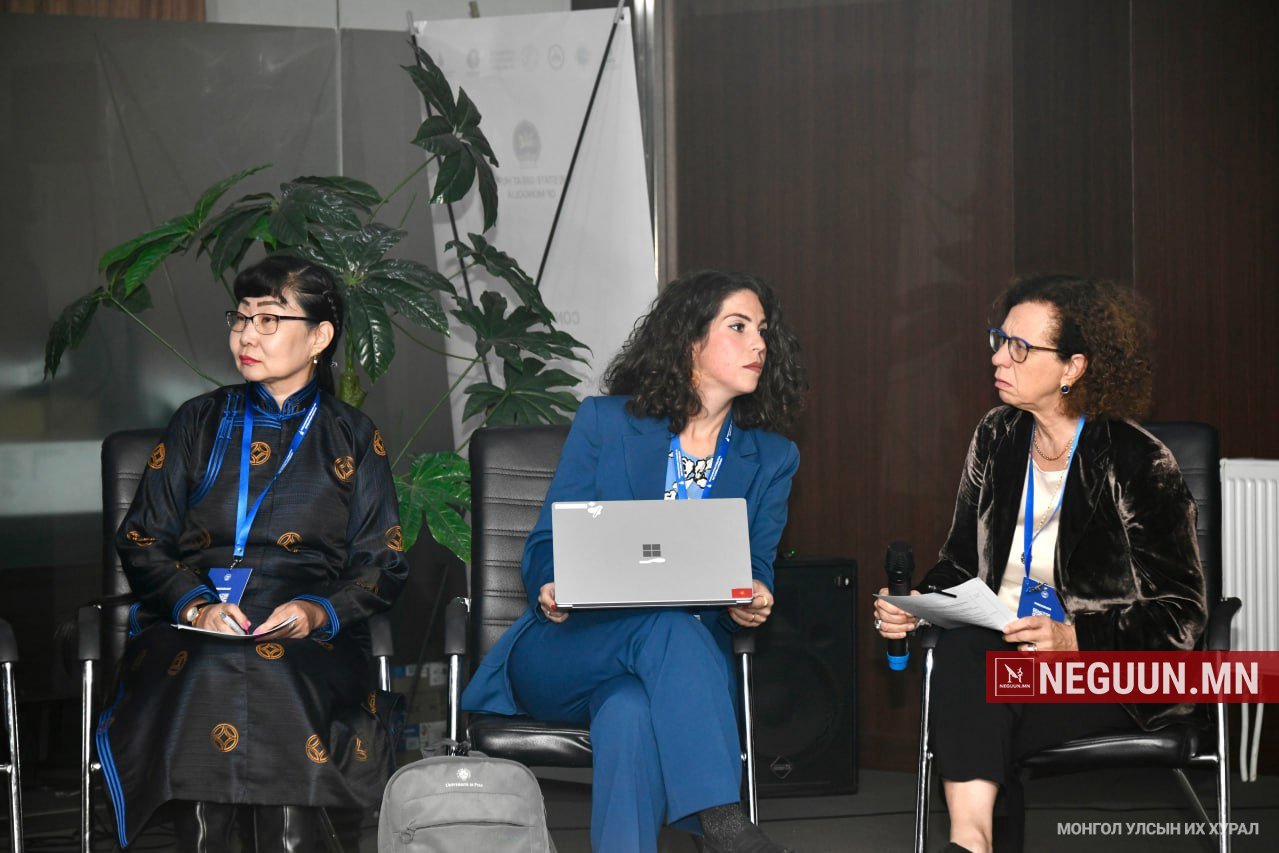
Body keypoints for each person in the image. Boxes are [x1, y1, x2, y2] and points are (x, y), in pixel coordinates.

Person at [461, 270, 807, 853]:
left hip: (677, 674)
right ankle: (721, 817)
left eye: (764, 331)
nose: (759, 344)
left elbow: (756, 567)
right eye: (739, 327)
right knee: (664, 625)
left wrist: (754, 597)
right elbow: (545, 544)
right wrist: (550, 582)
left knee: (628, 713)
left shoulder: (772, 458)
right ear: (690, 340)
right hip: (571, 647)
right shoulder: (607, 423)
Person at [874, 273, 1207, 853]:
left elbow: (1183, 615)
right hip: (1001, 662)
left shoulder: (1136, 459)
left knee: (978, 695)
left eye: (1020, 347)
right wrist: (919, 605)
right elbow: (959, 563)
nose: (999, 357)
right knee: (971, 658)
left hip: (1105, 678)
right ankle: (971, 841)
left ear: (1073, 367)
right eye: (999, 340)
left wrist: (1075, 639)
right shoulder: (996, 436)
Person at [99, 255, 408, 851]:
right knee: (208, 668)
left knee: (279, 671)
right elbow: (142, 538)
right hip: (193, 626)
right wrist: (196, 607)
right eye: (241, 318)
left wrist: (317, 612)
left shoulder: (352, 435)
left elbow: (384, 563)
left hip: (310, 633)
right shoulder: (198, 422)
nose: (247, 335)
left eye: (269, 320)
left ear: (319, 336)